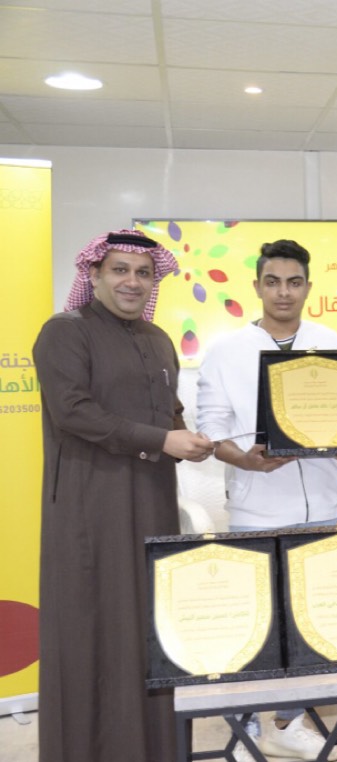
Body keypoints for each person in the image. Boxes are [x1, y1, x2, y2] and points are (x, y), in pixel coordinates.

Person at [33, 229, 214, 762]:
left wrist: (198, 443)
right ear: (93, 274)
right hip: (91, 511)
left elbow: (170, 416)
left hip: (153, 503)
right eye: (119, 270)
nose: (132, 282)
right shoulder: (65, 332)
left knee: (149, 633)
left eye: (143, 273)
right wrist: (163, 441)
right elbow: (73, 412)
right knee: (91, 630)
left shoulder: (158, 339)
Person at [196, 239, 337, 761]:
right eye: (273, 282)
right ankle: (248, 726)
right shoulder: (226, 351)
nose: (284, 292)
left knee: (315, 624)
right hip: (258, 510)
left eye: (294, 282)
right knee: (259, 627)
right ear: (257, 287)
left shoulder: (330, 342)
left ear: (308, 287)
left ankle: (288, 724)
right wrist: (244, 459)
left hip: (326, 507)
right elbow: (211, 431)